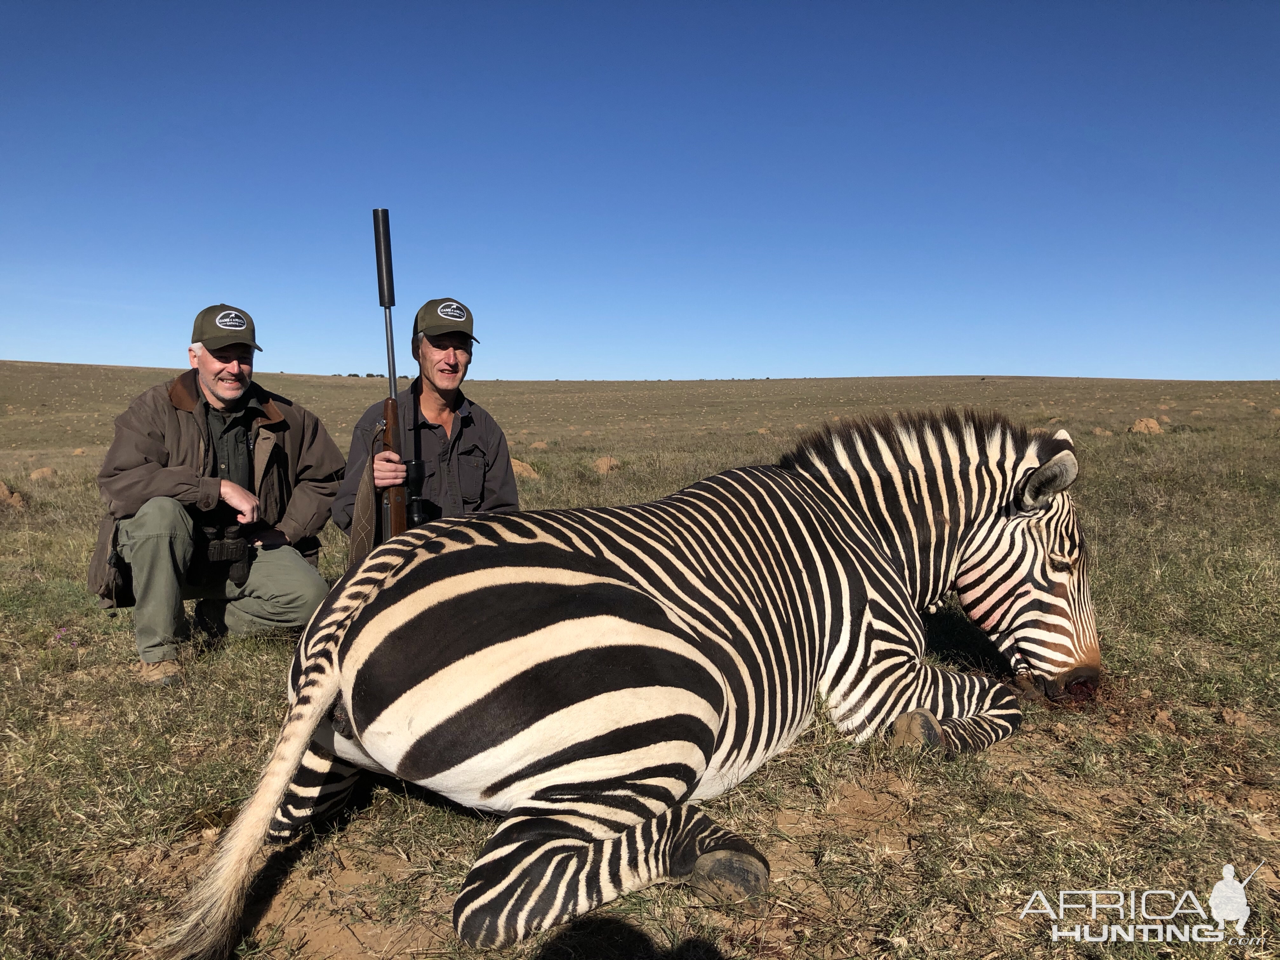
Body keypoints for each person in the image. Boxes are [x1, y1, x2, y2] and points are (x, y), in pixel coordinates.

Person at [88, 304, 346, 685]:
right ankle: (160, 654)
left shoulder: (288, 417)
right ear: (195, 357)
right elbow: (121, 482)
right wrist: (213, 489)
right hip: (170, 554)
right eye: (221, 357)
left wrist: (288, 530)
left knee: (311, 599)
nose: (233, 368)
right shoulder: (155, 408)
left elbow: (326, 478)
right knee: (161, 514)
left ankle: (212, 620)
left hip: (244, 551)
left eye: (243, 357)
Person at [331, 298, 518, 556]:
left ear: (470, 356)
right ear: (417, 350)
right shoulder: (378, 425)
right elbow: (345, 512)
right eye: (439, 347)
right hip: (401, 565)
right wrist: (369, 488)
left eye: (460, 348)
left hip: (471, 563)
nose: (450, 359)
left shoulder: (485, 427)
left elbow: (504, 514)